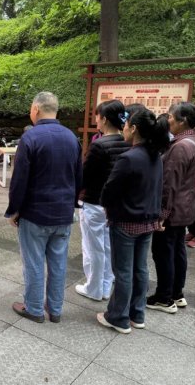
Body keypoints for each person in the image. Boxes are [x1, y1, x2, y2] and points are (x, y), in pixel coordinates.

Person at [6, 92, 82, 323]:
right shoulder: (72, 138)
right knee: (58, 264)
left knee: (34, 263)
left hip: (35, 213)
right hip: (63, 214)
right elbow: (78, 177)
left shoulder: (30, 138)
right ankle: (55, 310)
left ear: (36, 109)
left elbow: (19, 180)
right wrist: (72, 204)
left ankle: (35, 309)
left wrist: (14, 210)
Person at [97, 105, 167, 334]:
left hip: (126, 221)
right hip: (148, 221)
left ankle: (118, 316)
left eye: (126, 125)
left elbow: (110, 190)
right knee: (140, 268)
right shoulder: (155, 156)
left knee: (123, 271)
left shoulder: (128, 158)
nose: (123, 129)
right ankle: (137, 314)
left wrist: (107, 205)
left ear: (134, 128)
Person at [147, 102, 195, 314]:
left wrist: (162, 214)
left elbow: (169, 184)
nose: (168, 120)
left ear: (183, 120)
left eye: (171, 117)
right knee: (177, 251)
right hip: (184, 207)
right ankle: (176, 293)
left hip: (173, 209)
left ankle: (163, 297)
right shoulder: (194, 140)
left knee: (163, 252)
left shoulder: (180, 146)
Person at [76, 100, 130, 301]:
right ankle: (106, 285)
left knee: (93, 248)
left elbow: (85, 176)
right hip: (114, 205)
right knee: (108, 247)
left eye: (97, 116)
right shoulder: (127, 142)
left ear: (104, 119)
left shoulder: (99, 145)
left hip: (94, 202)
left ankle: (94, 288)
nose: (96, 120)